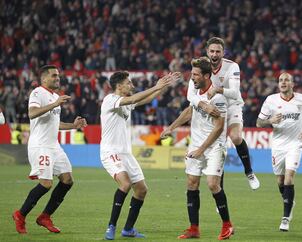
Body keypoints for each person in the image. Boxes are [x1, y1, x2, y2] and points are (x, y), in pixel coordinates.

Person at [100, 71, 180, 240]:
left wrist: (163, 86)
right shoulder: (110, 100)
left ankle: (128, 229)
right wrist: (155, 86)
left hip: (125, 153)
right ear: (119, 86)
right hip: (110, 151)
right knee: (125, 184)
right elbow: (133, 99)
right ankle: (111, 226)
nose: (132, 86)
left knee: (142, 189)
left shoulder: (125, 102)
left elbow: (146, 99)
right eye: (129, 83)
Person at [12, 65, 87, 234]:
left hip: (54, 146)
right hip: (40, 145)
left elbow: (55, 124)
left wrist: (73, 126)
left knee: (67, 180)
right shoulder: (38, 93)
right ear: (44, 78)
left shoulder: (55, 97)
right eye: (54, 76)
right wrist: (54, 103)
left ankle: (45, 216)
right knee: (46, 184)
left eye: (58, 76)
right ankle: (20, 214)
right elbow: (32, 113)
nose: (57, 78)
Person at [170, 57, 234, 240]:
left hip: (214, 146)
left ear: (207, 76)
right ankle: (194, 229)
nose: (192, 78)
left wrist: (201, 150)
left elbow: (219, 127)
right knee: (191, 183)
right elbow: (190, 111)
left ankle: (227, 225)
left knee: (213, 184)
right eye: (192, 74)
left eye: (196, 75)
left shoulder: (219, 98)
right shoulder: (196, 95)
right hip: (196, 145)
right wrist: (171, 127)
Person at [187, 37, 259, 190]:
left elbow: (234, 93)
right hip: (212, 106)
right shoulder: (201, 66)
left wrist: (218, 89)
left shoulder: (232, 66)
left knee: (236, 136)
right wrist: (201, 103)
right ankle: (220, 190)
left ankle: (249, 172)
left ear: (223, 52)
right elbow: (190, 94)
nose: (214, 54)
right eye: (211, 51)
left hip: (232, 104)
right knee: (218, 144)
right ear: (207, 52)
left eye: (217, 51)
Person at [256, 72, 302, 232]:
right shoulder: (271, 100)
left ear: (292, 84)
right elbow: (259, 123)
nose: (283, 82)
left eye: (286, 80)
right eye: (281, 80)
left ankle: (285, 218)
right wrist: (270, 121)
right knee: (280, 182)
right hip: (278, 145)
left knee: (289, 178)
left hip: (295, 144)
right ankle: (289, 200)